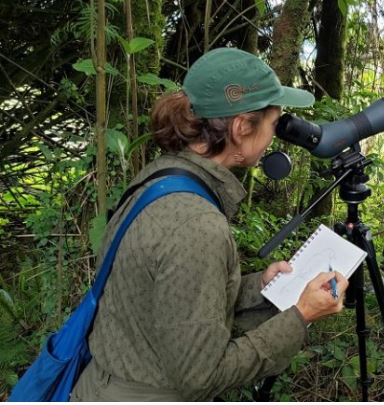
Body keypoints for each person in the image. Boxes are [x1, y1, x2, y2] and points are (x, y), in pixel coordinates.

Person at [70, 48, 349, 401]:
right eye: (273, 124)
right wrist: (300, 316)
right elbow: (202, 377)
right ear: (242, 127)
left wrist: (257, 286)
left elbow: (166, 298)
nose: (274, 136)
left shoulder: (160, 179)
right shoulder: (197, 226)